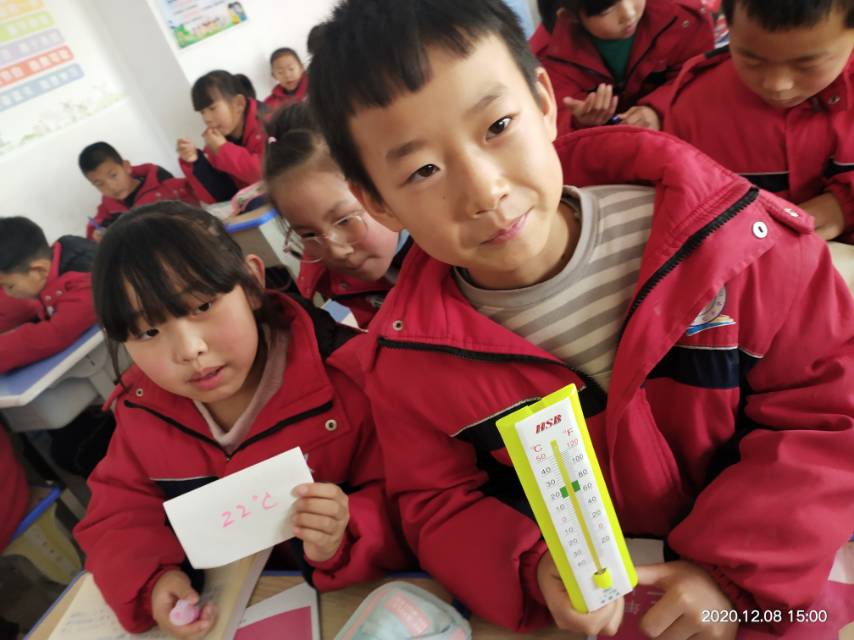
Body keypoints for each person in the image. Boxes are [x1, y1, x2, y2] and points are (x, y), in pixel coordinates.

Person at [308, 0, 854, 636]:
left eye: (497, 126)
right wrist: (533, 565)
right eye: (423, 170)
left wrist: (727, 575)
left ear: (545, 103)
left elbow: (827, 413)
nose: (484, 191)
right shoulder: (408, 363)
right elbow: (437, 503)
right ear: (377, 201)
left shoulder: (729, 243)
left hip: (774, 588)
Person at [73, 203, 410, 636]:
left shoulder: (347, 378)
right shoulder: (142, 412)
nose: (189, 350)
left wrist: (345, 532)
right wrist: (152, 583)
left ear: (251, 283)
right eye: (148, 332)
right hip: (235, 610)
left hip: (356, 600)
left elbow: (413, 495)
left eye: (202, 305)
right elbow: (117, 518)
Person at [665, 0, 854, 245]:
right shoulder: (693, 108)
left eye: (808, 65)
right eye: (751, 61)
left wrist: (843, 206)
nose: (777, 85)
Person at [264, 103, 409, 327]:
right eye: (309, 234)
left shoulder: (453, 250)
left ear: (383, 186)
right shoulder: (332, 280)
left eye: (345, 220)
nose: (336, 251)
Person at [531, 0, 714, 133]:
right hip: (608, 153)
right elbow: (547, 120)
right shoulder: (546, 56)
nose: (629, 14)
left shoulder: (683, 17)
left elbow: (697, 76)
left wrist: (658, 110)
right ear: (570, 17)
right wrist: (579, 122)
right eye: (607, 10)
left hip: (677, 133)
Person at [0, 217, 96, 373]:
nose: (7, 293)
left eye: (9, 286)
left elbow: (56, 333)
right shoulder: (49, 279)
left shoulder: (86, 280)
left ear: (38, 271)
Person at [78, 142, 199, 241]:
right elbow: (95, 226)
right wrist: (97, 235)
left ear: (126, 167)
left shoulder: (163, 186)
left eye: (113, 175)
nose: (111, 186)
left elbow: (195, 199)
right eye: (99, 184)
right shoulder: (108, 207)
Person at [177, 70, 267, 204]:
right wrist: (195, 162)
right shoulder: (215, 142)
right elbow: (220, 197)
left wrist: (223, 149)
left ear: (239, 103)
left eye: (212, 108)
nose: (207, 118)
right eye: (202, 112)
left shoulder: (270, 123)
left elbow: (269, 174)